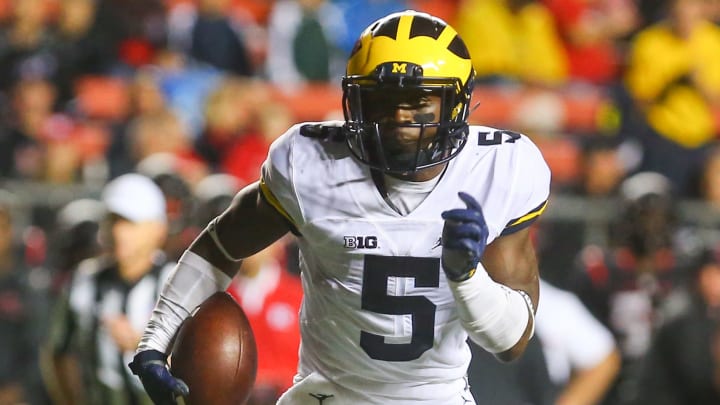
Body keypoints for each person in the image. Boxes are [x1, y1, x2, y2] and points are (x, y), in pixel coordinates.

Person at [129, 10, 551, 404]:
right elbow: (220, 245)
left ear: (456, 105)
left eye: (420, 102)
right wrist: (155, 339)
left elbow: (511, 342)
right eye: (382, 102)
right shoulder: (309, 162)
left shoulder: (500, 169)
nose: (400, 119)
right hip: (325, 395)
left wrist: (466, 276)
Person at [44, 174, 174, 404]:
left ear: (158, 229)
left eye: (130, 222)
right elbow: (57, 352)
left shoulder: (177, 283)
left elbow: (200, 365)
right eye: (113, 221)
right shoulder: (84, 280)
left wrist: (143, 348)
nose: (119, 232)